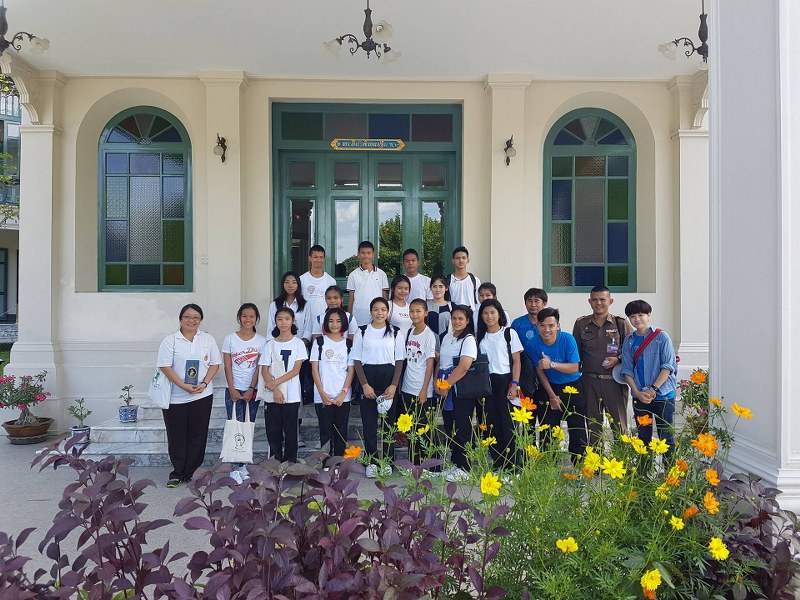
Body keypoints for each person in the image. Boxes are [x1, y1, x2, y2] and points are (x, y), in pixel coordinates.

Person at [157, 304, 221, 488]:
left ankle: (193, 472)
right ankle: (177, 472)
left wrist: (204, 383)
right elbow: (165, 366)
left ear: (200, 320)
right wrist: (182, 385)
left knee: (198, 434)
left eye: (196, 317)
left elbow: (215, 364)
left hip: (202, 394)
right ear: (181, 319)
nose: (192, 320)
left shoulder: (207, 339)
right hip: (175, 396)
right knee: (176, 434)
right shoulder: (170, 340)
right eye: (187, 317)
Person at [351, 297, 405, 478]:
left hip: (388, 379)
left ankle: (388, 461)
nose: (379, 313)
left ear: (388, 312)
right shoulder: (362, 332)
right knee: (369, 423)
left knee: (389, 424)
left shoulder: (395, 332)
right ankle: (372, 461)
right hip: (368, 379)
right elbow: (357, 360)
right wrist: (364, 385)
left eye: (383, 309)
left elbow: (399, 360)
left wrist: (394, 385)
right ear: (370, 311)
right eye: (376, 309)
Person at [572, 285, 632, 445]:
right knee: (593, 427)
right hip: (589, 382)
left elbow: (632, 349)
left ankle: (622, 458)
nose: (598, 303)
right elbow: (576, 354)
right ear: (589, 301)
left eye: (602, 299)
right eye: (595, 300)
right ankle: (596, 459)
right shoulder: (581, 324)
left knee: (619, 427)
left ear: (610, 301)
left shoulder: (620, 323)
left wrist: (618, 359)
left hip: (614, 382)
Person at [620, 299, 678, 457]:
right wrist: (637, 392)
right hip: (640, 396)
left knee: (666, 437)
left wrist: (653, 389)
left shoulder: (662, 337)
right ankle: (644, 470)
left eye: (641, 315)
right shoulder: (629, 341)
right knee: (643, 437)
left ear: (649, 315)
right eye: (632, 316)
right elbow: (627, 369)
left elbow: (668, 366)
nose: (637, 319)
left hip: (663, 395)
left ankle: (670, 471)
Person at [529, 307, 586, 463]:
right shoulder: (533, 344)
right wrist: (552, 396)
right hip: (549, 387)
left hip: (573, 386)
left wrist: (552, 364)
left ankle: (580, 465)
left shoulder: (568, 339)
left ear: (558, 326)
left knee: (577, 427)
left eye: (551, 325)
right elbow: (540, 371)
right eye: (542, 325)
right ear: (537, 326)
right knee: (548, 428)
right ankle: (549, 464)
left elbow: (574, 367)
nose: (546, 330)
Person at [221, 303, 266, 484]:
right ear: (239, 318)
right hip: (233, 389)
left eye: (252, 316)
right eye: (244, 316)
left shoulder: (261, 341)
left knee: (247, 426)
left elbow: (259, 368)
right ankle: (234, 467)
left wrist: (252, 388)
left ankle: (243, 465)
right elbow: (227, 366)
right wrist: (232, 388)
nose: (248, 319)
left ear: (256, 319)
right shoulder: (229, 339)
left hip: (251, 390)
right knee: (234, 426)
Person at [435, 305, 480, 483]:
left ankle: (465, 467)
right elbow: (441, 361)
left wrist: (447, 384)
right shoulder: (447, 336)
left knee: (463, 426)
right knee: (450, 425)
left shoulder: (468, 339)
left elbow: (464, 366)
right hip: (444, 385)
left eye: (461, 318)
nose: (457, 322)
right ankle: (456, 462)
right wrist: (437, 382)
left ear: (467, 321)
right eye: (454, 318)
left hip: (459, 387)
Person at [267, 270, 313, 445]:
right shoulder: (275, 304)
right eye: (287, 282)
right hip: (278, 353)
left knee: (295, 393)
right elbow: (270, 330)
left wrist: (300, 343)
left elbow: (308, 327)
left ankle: (295, 431)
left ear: (298, 285)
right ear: (282, 284)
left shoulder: (304, 304)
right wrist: (274, 348)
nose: (290, 285)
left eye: (294, 282)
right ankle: (279, 435)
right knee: (278, 388)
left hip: (297, 353)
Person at [476, 299, 522, 471]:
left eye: (492, 312)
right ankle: (498, 463)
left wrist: (514, 384)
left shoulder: (509, 333)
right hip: (488, 384)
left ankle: (514, 465)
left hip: (507, 381)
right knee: (492, 424)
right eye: (485, 313)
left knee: (509, 424)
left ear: (499, 314)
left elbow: (517, 361)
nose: (489, 316)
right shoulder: (480, 337)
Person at [259, 306, 308, 463]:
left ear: (293, 321)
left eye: (287, 319)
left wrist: (275, 383)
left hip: (291, 394)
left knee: (291, 430)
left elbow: (295, 370)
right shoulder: (270, 344)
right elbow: (264, 370)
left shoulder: (298, 344)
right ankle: (275, 462)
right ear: (275, 322)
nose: (283, 322)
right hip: (272, 394)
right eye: (280, 319)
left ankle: (290, 463)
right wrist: (275, 390)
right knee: (273, 430)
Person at [310, 307, 355, 459]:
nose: (334, 324)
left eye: (338, 321)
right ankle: (325, 464)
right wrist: (322, 393)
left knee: (341, 431)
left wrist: (343, 393)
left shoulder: (349, 344)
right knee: (325, 432)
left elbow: (351, 371)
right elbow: (314, 369)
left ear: (343, 323)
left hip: (343, 396)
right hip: (323, 396)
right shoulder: (319, 343)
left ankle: (339, 463)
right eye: (331, 321)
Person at [399, 298, 438, 465]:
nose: (414, 314)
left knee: (425, 429)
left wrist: (424, 390)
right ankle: (414, 463)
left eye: (418, 311)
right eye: (411, 311)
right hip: (407, 386)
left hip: (422, 389)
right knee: (411, 428)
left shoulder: (429, 335)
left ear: (425, 313)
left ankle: (432, 465)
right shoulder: (409, 332)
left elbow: (430, 364)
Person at [346, 240, 390, 328]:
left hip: (377, 317)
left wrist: (386, 317)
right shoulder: (353, 275)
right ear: (358, 254)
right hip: (358, 318)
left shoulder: (382, 274)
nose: (366, 256)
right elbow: (351, 300)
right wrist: (349, 318)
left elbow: (384, 298)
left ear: (373, 254)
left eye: (369, 253)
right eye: (363, 253)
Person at [300, 245, 337, 334]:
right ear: (310, 258)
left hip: (324, 323)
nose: (318, 260)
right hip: (305, 324)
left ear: (324, 259)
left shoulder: (331, 281)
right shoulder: (301, 279)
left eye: (321, 257)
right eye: (315, 257)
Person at [447, 246, 481, 312]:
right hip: (454, 316)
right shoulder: (447, 280)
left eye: (464, 258)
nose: (461, 261)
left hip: (471, 316)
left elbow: (478, 301)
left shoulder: (475, 280)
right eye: (458, 258)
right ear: (453, 261)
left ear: (468, 260)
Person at [426, 274, 453, 341]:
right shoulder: (425, 306)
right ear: (430, 288)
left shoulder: (452, 307)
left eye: (441, 286)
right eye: (434, 286)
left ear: (446, 288)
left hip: (447, 343)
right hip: (429, 343)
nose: (437, 290)